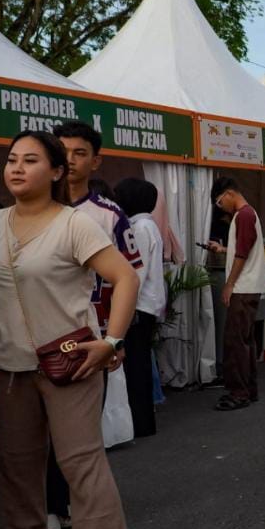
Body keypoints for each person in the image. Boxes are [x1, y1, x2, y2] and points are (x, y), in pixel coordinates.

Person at [0, 130, 138, 529]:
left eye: (30, 160)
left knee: (83, 469)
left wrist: (111, 340)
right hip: (9, 367)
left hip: (71, 364)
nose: (16, 167)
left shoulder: (74, 224)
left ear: (56, 171)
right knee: (16, 468)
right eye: (11, 159)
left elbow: (124, 277)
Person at [48, 121, 142, 529]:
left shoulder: (108, 215)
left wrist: (114, 339)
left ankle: (72, 505)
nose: (69, 159)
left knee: (80, 432)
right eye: (61, 150)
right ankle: (47, 508)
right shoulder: (27, 208)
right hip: (34, 338)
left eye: (79, 152)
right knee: (36, 434)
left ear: (95, 160)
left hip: (88, 339)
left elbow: (128, 279)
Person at [206, 178, 265, 410]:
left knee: (236, 342)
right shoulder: (248, 214)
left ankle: (239, 392)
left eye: (220, 200)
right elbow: (243, 249)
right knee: (245, 341)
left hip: (243, 287)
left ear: (230, 193)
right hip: (250, 286)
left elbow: (242, 254)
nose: (219, 206)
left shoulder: (243, 215)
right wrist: (224, 249)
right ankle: (248, 389)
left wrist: (229, 284)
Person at [114, 177, 166, 437]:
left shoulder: (141, 227)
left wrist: (125, 304)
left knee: (137, 366)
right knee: (140, 363)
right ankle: (142, 420)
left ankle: (141, 422)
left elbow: (137, 272)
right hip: (146, 304)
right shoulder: (147, 224)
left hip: (140, 305)